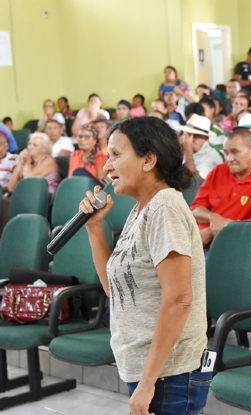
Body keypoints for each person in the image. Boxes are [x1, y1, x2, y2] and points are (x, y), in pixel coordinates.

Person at [79, 116, 210, 415]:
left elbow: (178, 300)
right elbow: (116, 291)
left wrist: (148, 382)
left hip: (169, 373)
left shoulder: (164, 207)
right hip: (149, 368)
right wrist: (94, 228)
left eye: (116, 155)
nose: (106, 167)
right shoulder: (142, 209)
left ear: (149, 159)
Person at [191, 128, 251, 248]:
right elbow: (195, 209)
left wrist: (211, 231)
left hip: (240, 246)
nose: (229, 158)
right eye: (226, 153)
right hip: (200, 242)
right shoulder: (218, 171)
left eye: (235, 152)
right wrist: (213, 217)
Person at [179, 114, 223, 179]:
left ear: (206, 138)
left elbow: (197, 182)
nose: (190, 140)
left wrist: (188, 152)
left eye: (196, 136)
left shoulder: (213, 156)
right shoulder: (181, 149)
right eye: (188, 134)